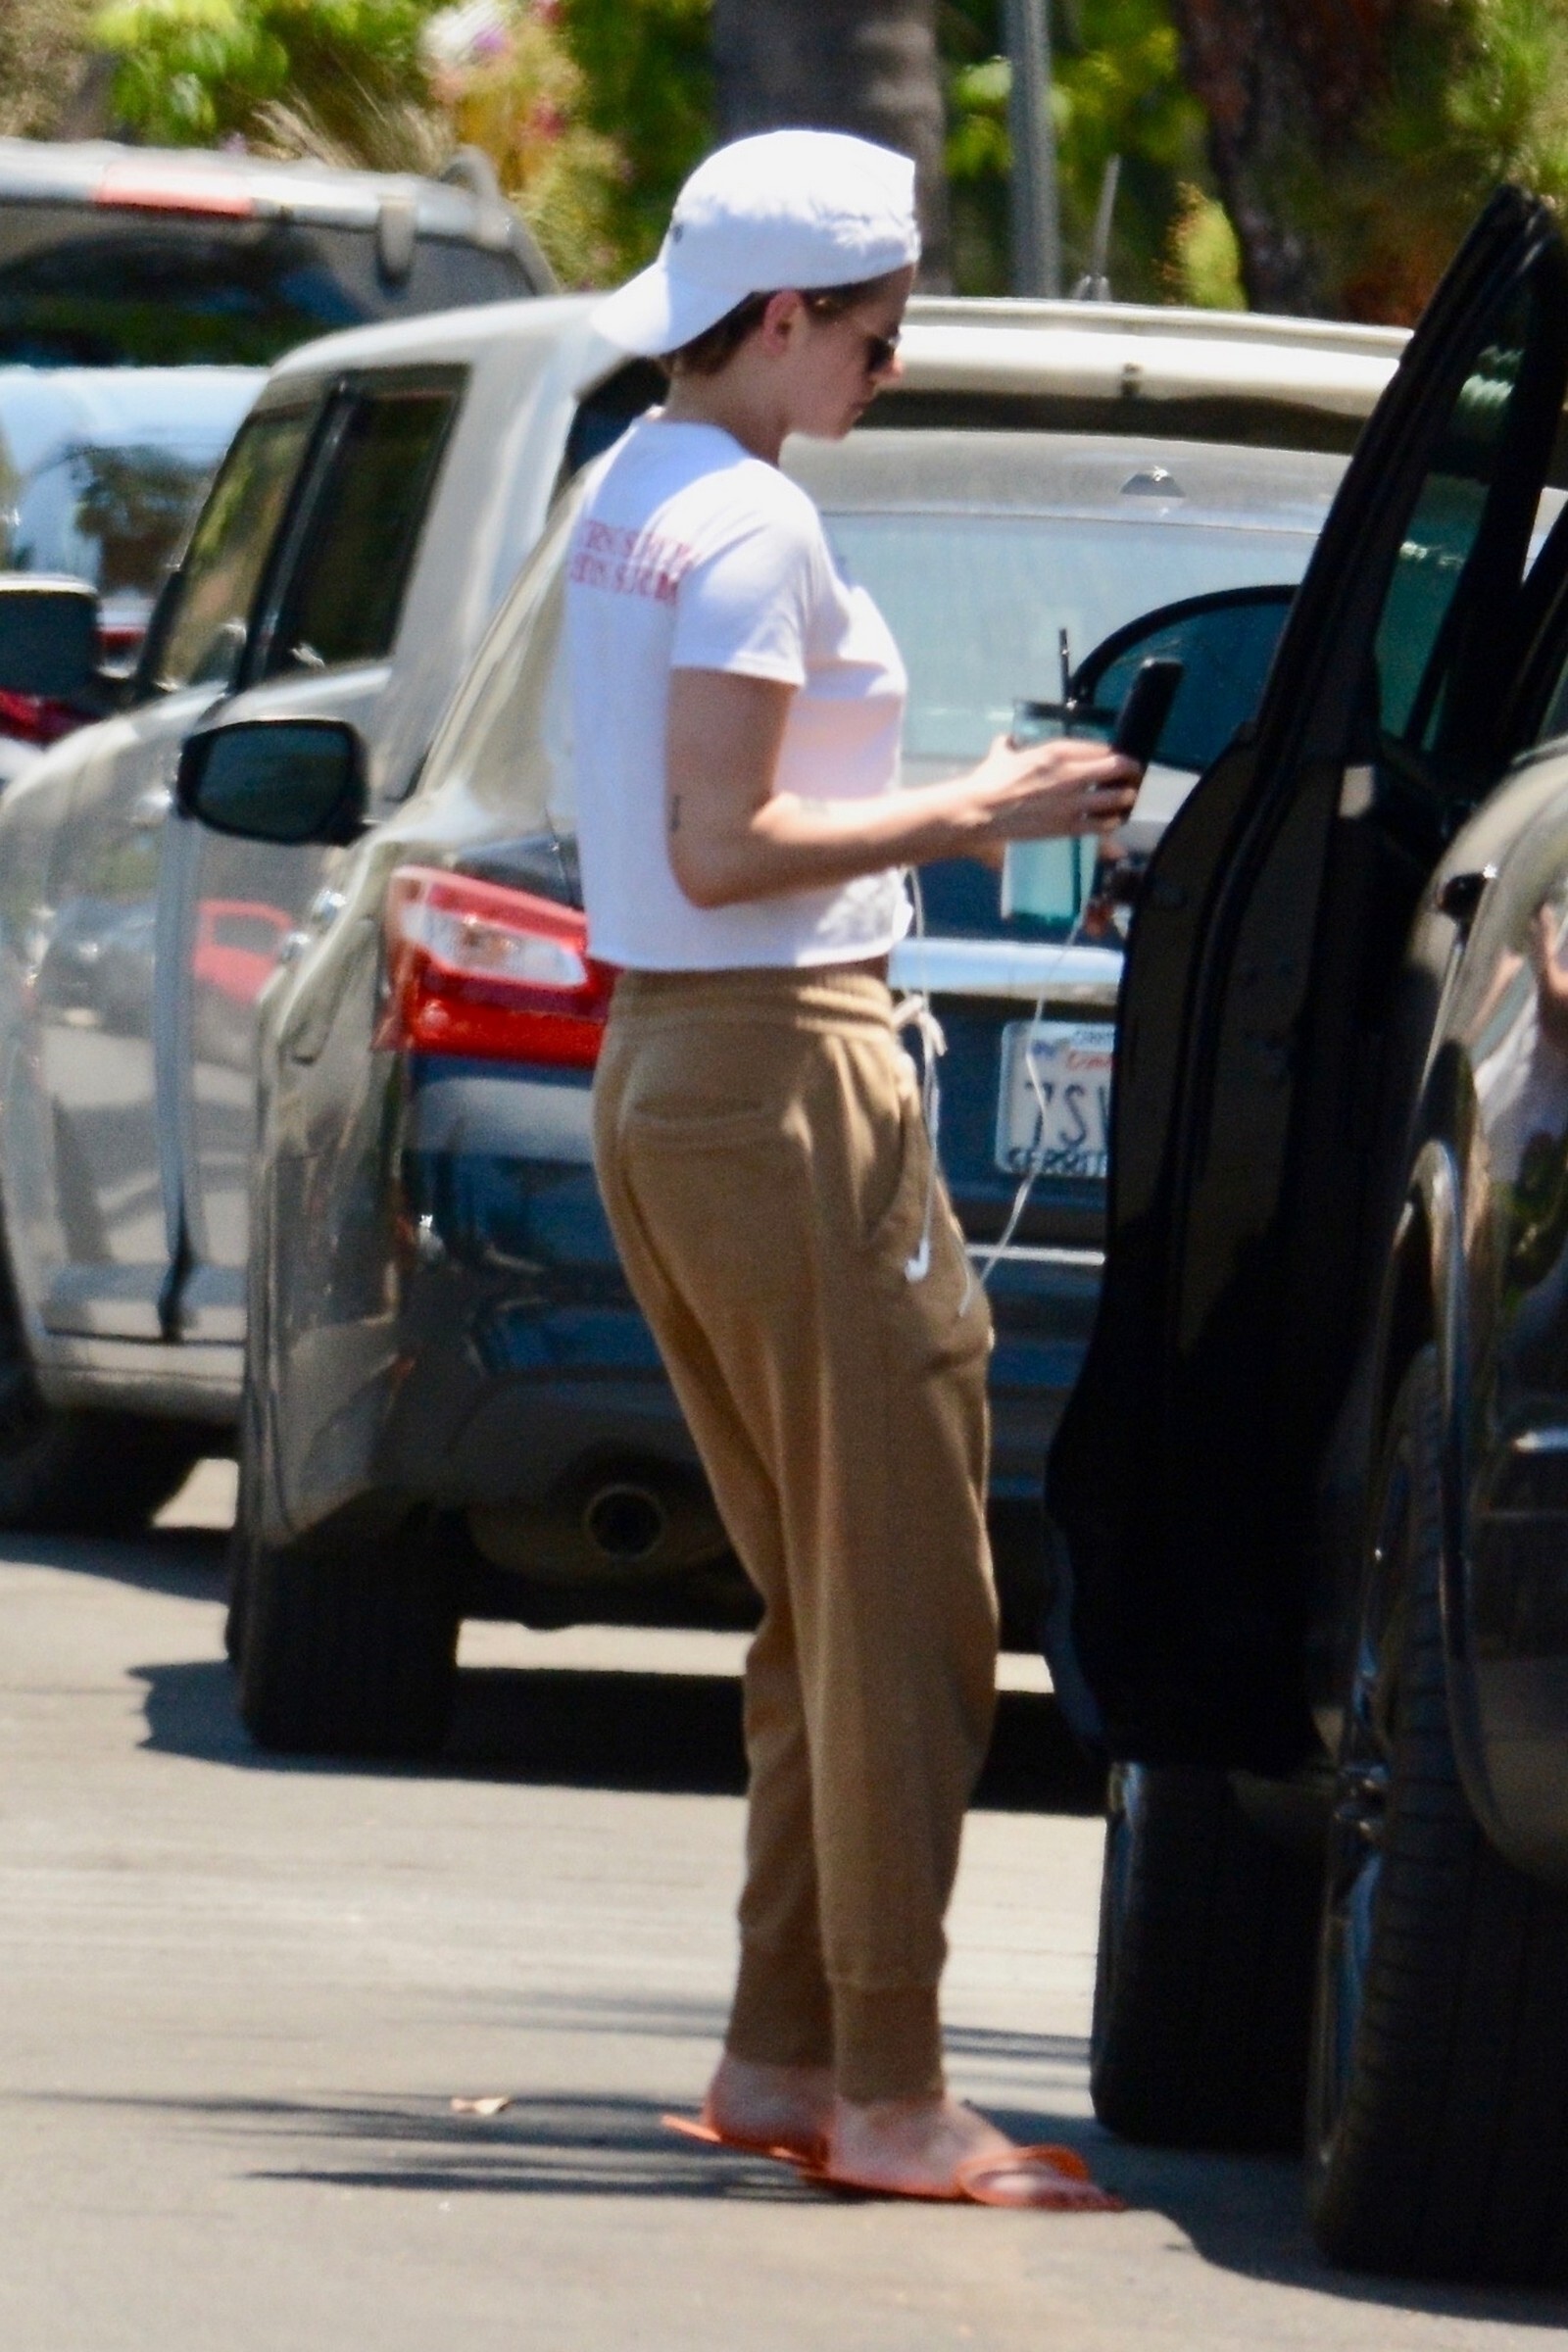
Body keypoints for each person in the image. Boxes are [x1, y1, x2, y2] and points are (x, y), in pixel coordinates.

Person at [568, 128, 1138, 2207]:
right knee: (904, 1604)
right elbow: (726, 840)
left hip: (674, 1062)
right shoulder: (745, 526)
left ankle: (785, 2055)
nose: (889, 372)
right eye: (880, 341)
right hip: (775, 1065)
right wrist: (979, 809)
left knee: (827, 1597)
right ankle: (887, 2090)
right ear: (787, 316)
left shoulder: (631, 493)